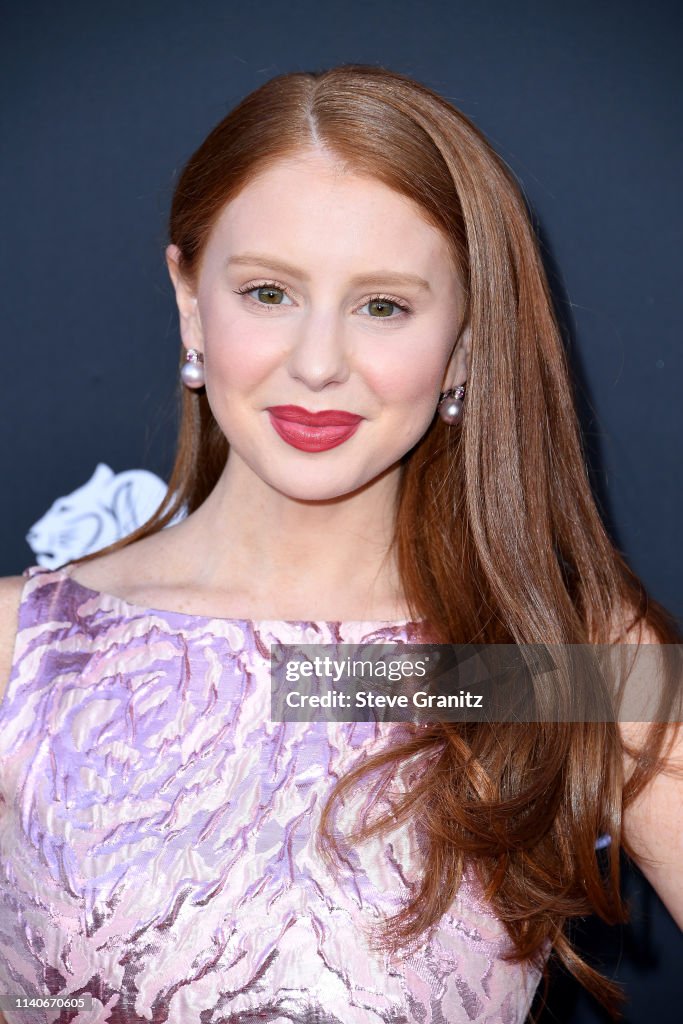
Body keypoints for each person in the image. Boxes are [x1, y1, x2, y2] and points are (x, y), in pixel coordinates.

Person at [0, 64, 680, 1024]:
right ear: (191, 298)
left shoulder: (564, 666)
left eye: (383, 305)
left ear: (468, 337)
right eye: (270, 292)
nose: (317, 363)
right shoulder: (20, 651)